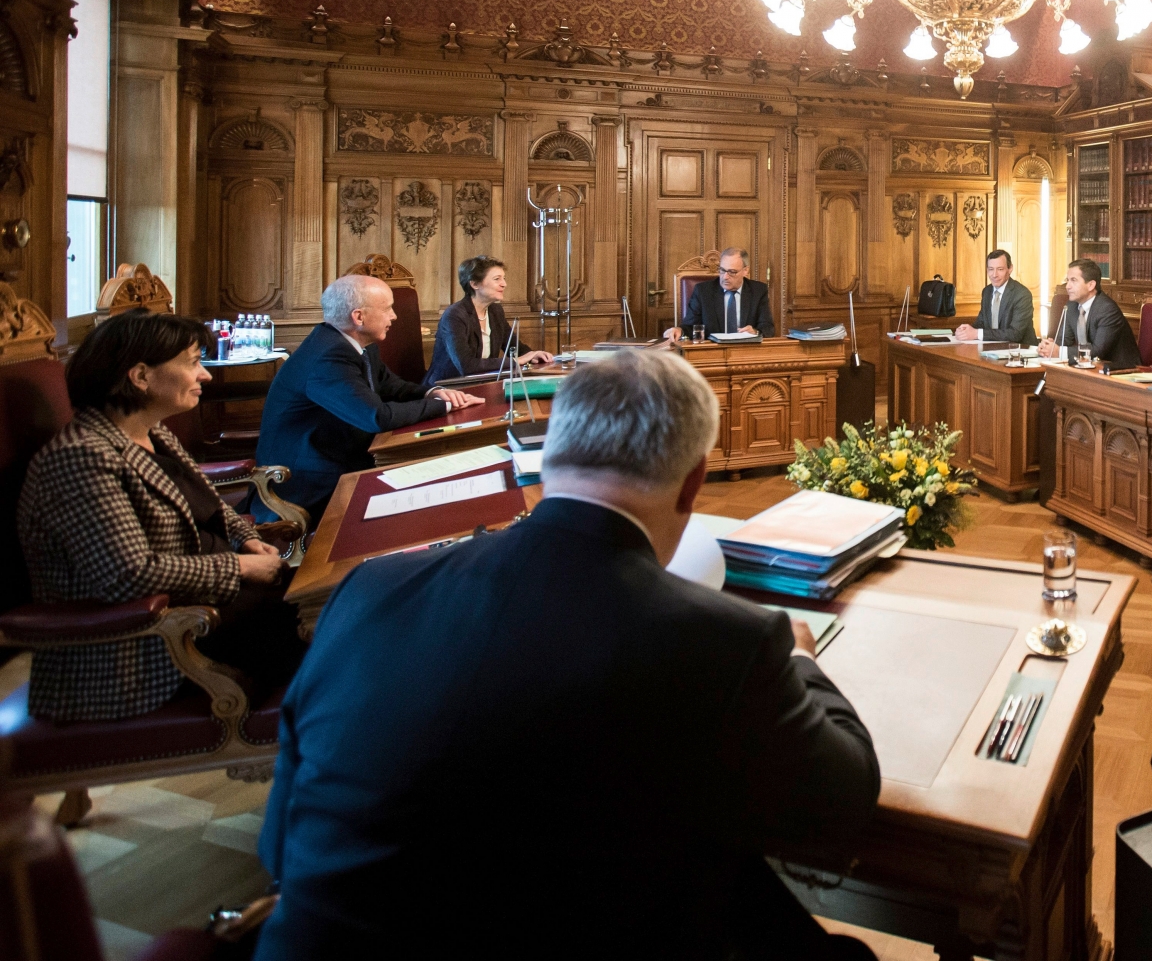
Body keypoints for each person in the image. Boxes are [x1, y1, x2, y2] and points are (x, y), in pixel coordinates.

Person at [255, 350, 880, 958]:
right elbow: (840, 805)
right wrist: (801, 659)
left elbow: (279, 844)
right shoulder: (728, 641)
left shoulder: (370, 591)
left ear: (548, 453)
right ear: (694, 482)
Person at [16, 314, 300, 721]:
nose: (205, 374)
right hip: (153, 646)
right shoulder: (80, 457)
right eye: (192, 362)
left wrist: (245, 538)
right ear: (140, 376)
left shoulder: (151, 431)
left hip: (221, 606)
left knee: (350, 606)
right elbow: (127, 574)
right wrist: (240, 566)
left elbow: (208, 504)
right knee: (344, 638)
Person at [254, 275, 480, 522]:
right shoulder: (328, 357)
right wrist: (444, 405)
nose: (394, 316)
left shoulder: (356, 343)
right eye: (387, 309)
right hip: (310, 479)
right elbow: (377, 417)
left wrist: (432, 392)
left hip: (345, 455)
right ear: (359, 317)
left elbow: (389, 384)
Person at [425, 255, 555, 387]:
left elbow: (515, 349)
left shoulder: (495, 311)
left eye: (504, 278)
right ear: (474, 284)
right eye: (497, 279)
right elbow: (466, 366)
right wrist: (516, 361)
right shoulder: (454, 315)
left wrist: (535, 355)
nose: (504, 284)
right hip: (448, 387)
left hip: (481, 383)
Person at [1038, 259, 1139, 369]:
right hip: (1090, 367)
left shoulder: (1107, 309)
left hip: (1121, 370)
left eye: (1073, 280)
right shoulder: (1071, 306)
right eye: (1067, 280)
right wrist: (1048, 347)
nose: (1067, 286)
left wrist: (1059, 352)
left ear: (1091, 285)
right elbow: (1063, 340)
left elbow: (1098, 351)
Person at [668, 247, 775, 342]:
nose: (725, 277)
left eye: (732, 272)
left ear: (745, 271)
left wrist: (755, 332)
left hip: (745, 351)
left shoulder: (758, 291)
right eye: (722, 270)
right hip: (711, 352)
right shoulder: (703, 291)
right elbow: (690, 327)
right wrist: (679, 330)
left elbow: (767, 327)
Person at [954, 249, 1036, 346]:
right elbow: (981, 323)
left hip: (1020, 352)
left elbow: (1015, 334)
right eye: (991, 269)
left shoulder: (1022, 294)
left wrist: (976, 333)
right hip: (992, 349)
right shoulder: (987, 291)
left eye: (1000, 269)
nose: (994, 275)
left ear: (1010, 269)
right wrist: (965, 331)